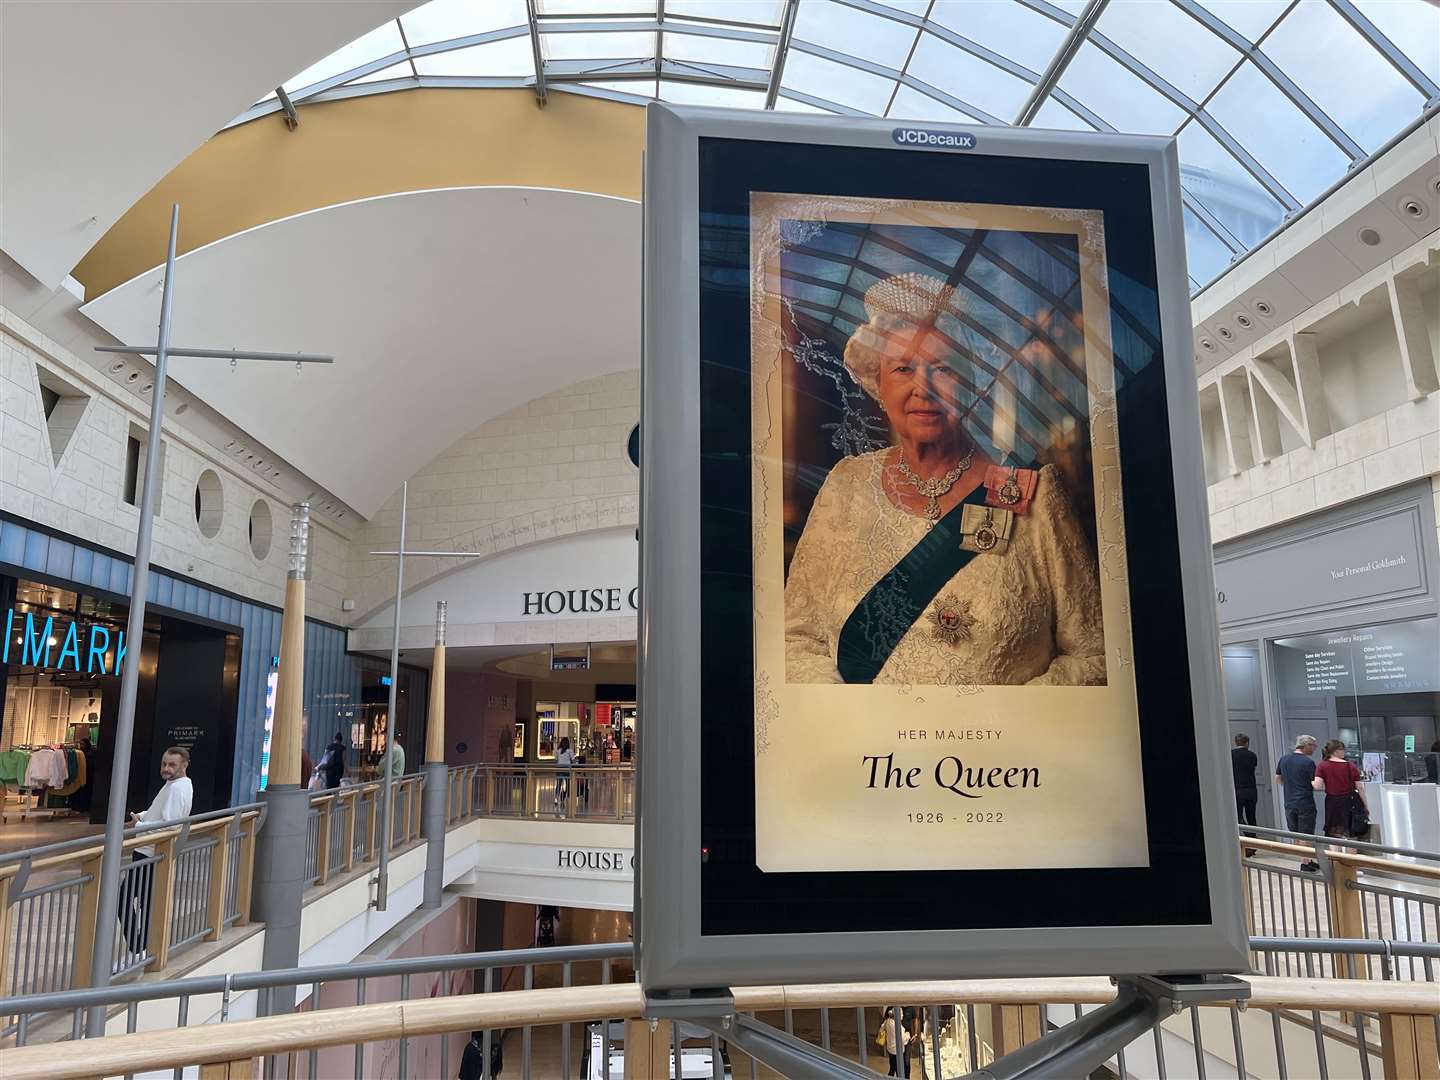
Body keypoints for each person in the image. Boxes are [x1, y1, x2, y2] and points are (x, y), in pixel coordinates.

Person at [784, 272, 1105, 686]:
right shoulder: (846, 486)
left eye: (943, 370)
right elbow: (796, 640)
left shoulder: (1036, 496)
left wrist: (999, 725)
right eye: (903, 369)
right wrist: (853, 723)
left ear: (970, 382)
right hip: (872, 752)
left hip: (997, 748)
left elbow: (1094, 654)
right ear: (878, 382)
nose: (923, 388)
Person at [119, 746, 194, 955]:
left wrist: (139, 826)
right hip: (148, 850)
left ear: (184, 765)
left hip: (150, 852)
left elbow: (170, 825)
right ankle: (142, 948)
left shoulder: (178, 788)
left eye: (172, 764)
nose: (166, 768)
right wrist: (143, 816)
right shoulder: (174, 785)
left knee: (127, 899)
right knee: (143, 901)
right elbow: (160, 813)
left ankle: (139, 948)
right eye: (164, 764)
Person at [1275, 735, 1320, 872]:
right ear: (1306, 745)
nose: (1314, 748)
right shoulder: (1308, 763)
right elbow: (1315, 784)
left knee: (1296, 833)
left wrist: (1290, 785)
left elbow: (1277, 779)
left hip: (1289, 802)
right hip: (1305, 802)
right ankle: (1305, 862)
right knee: (1306, 834)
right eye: (1313, 745)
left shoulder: (1284, 759)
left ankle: (1306, 859)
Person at [1314, 739, 1367, 840]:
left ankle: (1335, 855)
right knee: (1352, 833)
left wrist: (1308, 781)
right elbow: (1359, 787)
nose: (1344, 752)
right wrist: (1365, 805)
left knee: (1334, 833)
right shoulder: (1350, 765)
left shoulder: (1322, 765)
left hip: (1333, 802)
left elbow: (1317, 786)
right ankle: (1351, 856)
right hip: (1351, 801)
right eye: (1342, 749)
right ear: (1336, 751)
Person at [1232, 734, 1259, 857]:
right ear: (1247, 743)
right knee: (1251, 816)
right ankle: (1254, 842)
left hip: (1238, 790)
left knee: (1238, 817)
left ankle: (1249, 839)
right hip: (1251, 790)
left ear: (1236, 742)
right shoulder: (1252, 755)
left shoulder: (1231, 755)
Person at [878, 1006, 910, 1076]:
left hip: (890, 1049)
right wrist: (908, 1035)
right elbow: (903, 1040)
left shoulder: (888, 1021)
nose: (903, 1015)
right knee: (899, 1071)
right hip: (897, 1051)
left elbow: (882, 1028)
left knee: (892, 1068)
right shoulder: (897, 1026)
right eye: (901, 1014)